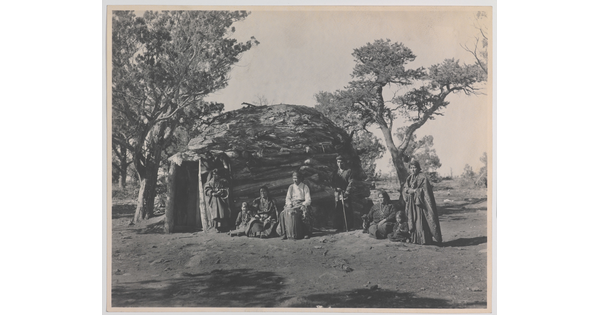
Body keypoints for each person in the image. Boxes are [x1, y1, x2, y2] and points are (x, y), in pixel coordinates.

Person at [403, 160, 443, 245]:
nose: (413, 170)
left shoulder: (423, 177)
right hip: (412, 203)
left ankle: (424, 240)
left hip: (420, 204)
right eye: (411, 168)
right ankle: (415, 239)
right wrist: (407, 191)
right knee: (413, 220)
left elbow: (426, 191)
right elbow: (405, 188)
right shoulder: (409, 178)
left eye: (414, 168)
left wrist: (414, 191)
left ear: (418, 168)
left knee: (420, 221)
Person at [277, 171, 314, 239]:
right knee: (282, 213)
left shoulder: (304, 187)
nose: (295, 180)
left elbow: (308, 200)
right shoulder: (291, 187)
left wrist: (303, 204)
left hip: (301, 203)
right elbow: (288, 198)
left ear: (300, 178)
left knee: (304, 213)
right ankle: (284, 233)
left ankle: (306, 232)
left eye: (296, 178)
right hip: (293, 204)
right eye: (293, 178)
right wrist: (290, 204)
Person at [331, 155, 355, 232]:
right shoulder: (335, 172)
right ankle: (339, 227)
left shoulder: (348, 171)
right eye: (338, 162)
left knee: (347, 208)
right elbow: (332, 182)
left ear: (344, 162)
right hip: (338, 193)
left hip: (346, 193)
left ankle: (349, 226)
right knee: (338, 209)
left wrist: (346, 192)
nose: (340, 164)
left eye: (341, 162)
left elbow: (351, 182)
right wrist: (336, 188)